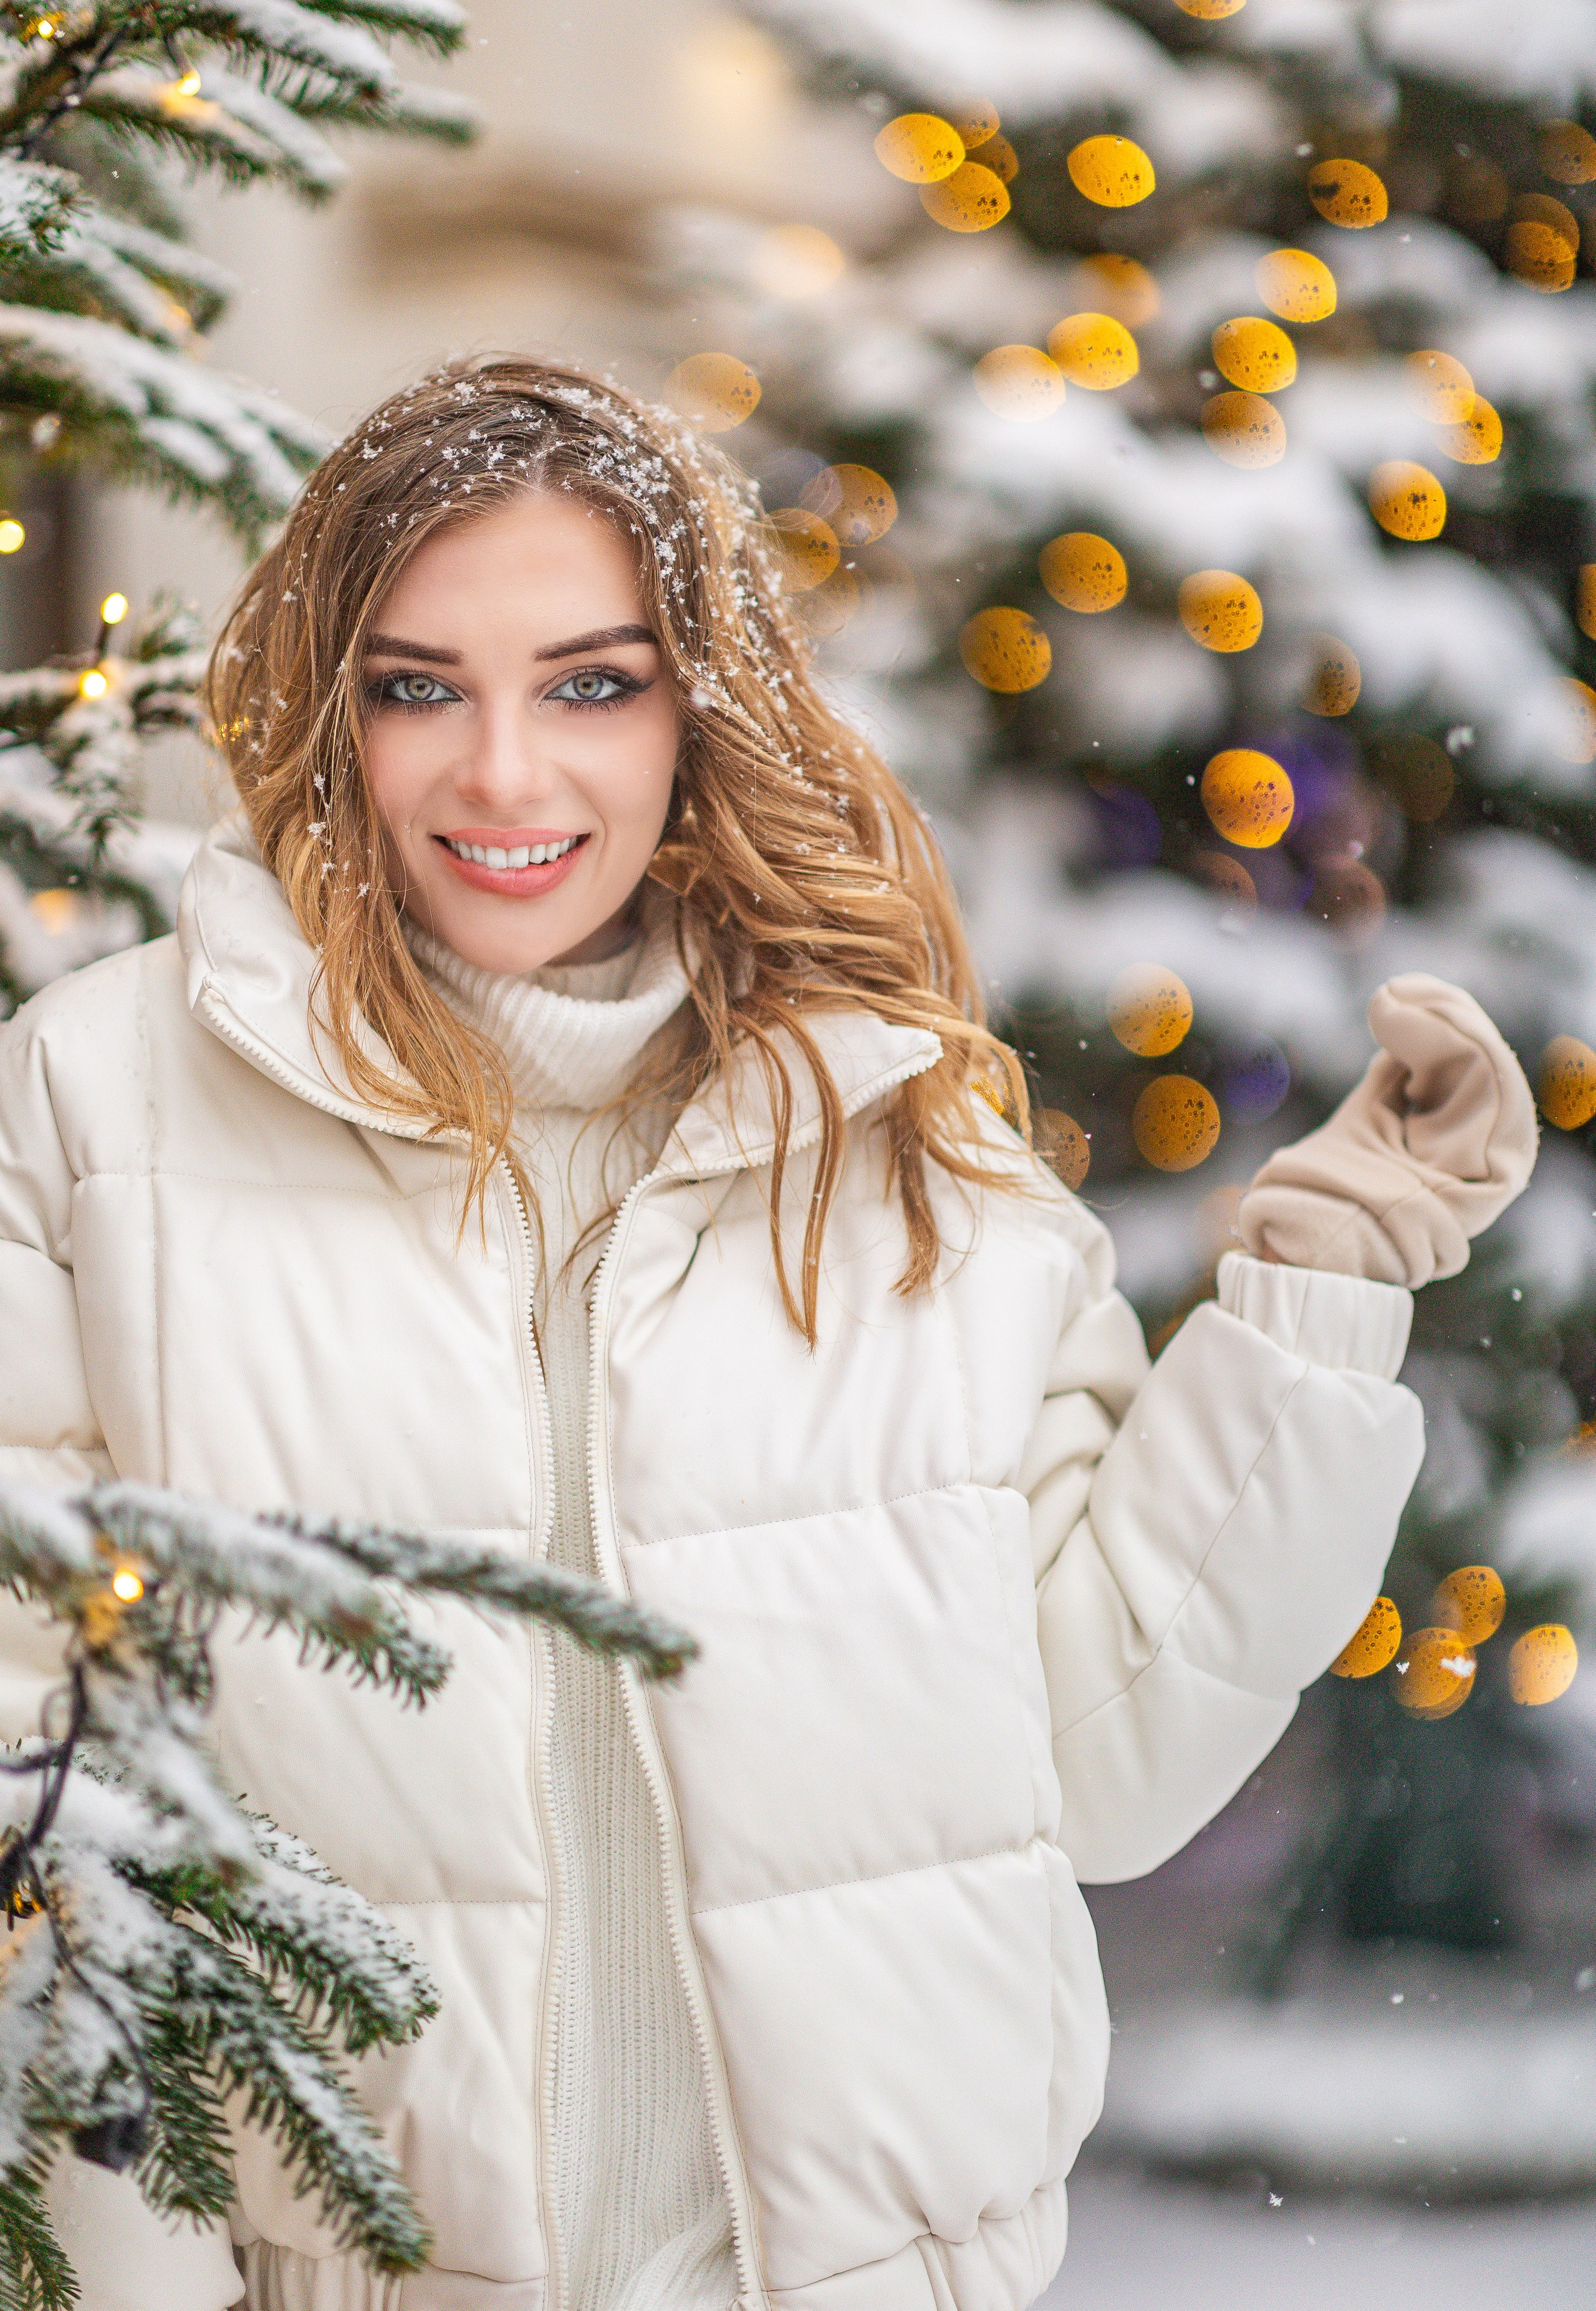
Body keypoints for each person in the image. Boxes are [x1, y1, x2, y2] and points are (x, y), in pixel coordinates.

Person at [0, 357, 1537, 2311]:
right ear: (329, 706)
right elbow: (45, 1816)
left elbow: (1109, 1751)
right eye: (417, 686)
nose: (504, 775)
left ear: (696, 702)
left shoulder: (901, 1141)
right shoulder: (97, 1108)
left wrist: (1326, 1294)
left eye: (589, 682)